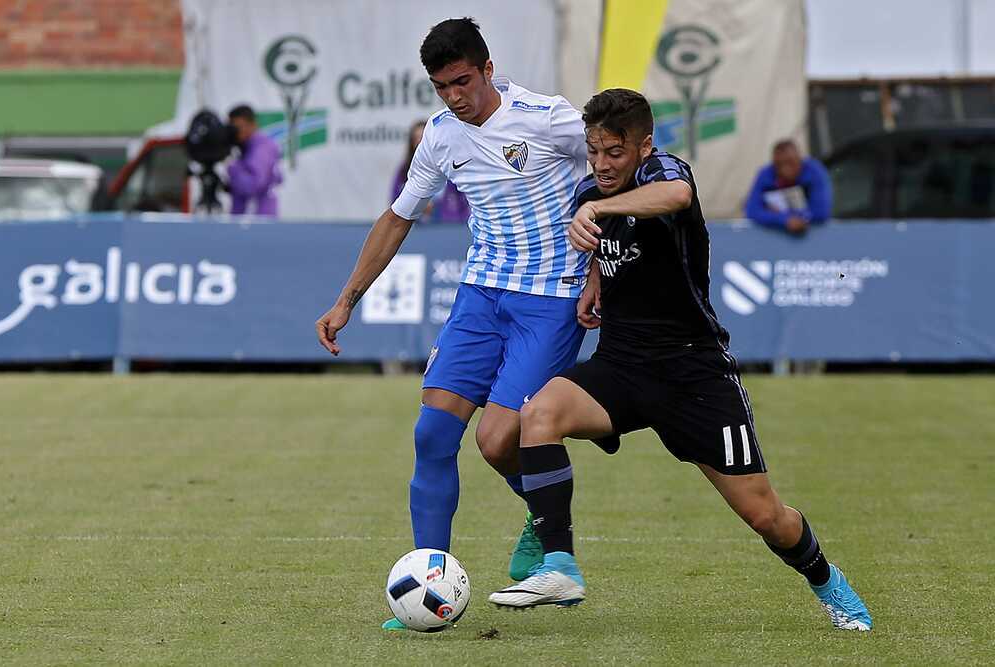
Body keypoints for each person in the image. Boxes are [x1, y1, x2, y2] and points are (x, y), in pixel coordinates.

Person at [488, 89, 872, 632]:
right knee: (538, 415)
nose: (601, 164)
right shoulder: (588, 193)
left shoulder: (662, 173)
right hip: (621, 365)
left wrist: (598, 207)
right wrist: (594, 279)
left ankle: (827, 581)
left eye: (615, 152)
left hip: (694, 374)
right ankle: (560, 565)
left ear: (644, 146)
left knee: (766, 516)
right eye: (593, 151)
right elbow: (607, 244)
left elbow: (675, 195)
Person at [314, 18, 593, 631]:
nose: (454, 97)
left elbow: (613, 170)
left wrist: (601, 267)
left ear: (488, 69)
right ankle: (429, 583)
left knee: (496, 442)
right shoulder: (441, 136)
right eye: (441, 87)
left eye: (462, 81)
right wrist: (347, 300)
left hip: (550, 299)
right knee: (432, 435)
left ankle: (546, 519)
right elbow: (398, 218)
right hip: (480, 298)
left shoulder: (549, 118)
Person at [745, 139, 832, 235]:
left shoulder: (814, 171)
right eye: (778, 165)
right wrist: (784, 219)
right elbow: (752, 211)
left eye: (790, 162)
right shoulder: (765, 174)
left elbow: (821, 212)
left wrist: (780, 215)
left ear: (799, 159)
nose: (785, 169)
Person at [392, 120, 471, 223]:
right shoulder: (404, 170)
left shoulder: (452, 165)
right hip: (416, 227)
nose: (420, 143)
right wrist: (418, 206)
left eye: (423, 138)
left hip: (450, 225)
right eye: (416, 139)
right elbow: (396, 202)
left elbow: (467, 201)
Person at [226, 104, 283, 216]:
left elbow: (254, 185)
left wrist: (233, 168)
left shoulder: (262, 147)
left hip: (259, 221)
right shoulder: (243, 147)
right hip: (245, 219)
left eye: (238, 127)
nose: (235, 132)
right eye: (232, 128)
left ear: (253, 125)